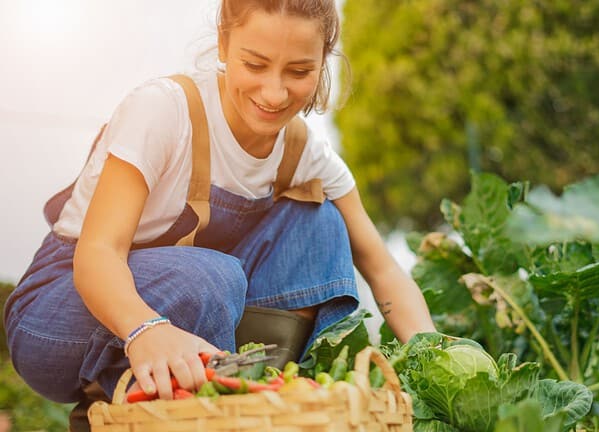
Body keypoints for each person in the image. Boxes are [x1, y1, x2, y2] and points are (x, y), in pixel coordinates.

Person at [2, 0, 436, 423]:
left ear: (323, 62)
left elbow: (383, 270)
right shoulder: (165, 110)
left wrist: (437, 361)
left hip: (196, 302)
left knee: (320, 221)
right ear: (224, 45)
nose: (274, 92)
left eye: (299, 71)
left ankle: (257, 402)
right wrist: (144, 329)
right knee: (211, 277)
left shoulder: (305, 153)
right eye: (255, 64)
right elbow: (97, 253)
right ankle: (124, 401)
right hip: (58, 313)